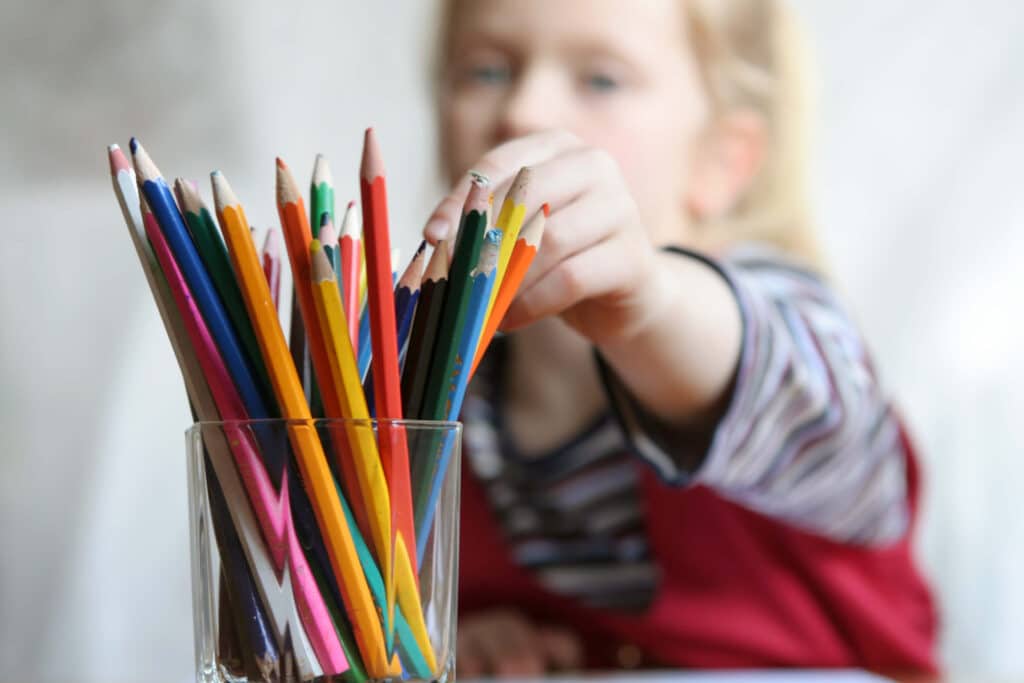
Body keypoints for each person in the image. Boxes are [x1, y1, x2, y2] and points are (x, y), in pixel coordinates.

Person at [421, 0, 938, 678]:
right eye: (485, 71)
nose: (524, 111)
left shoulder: (783, 312)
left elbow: (826, 419)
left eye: (602, 79)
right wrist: (446, 633)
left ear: (723, 161)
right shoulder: (420, 385)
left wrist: (649, 302)